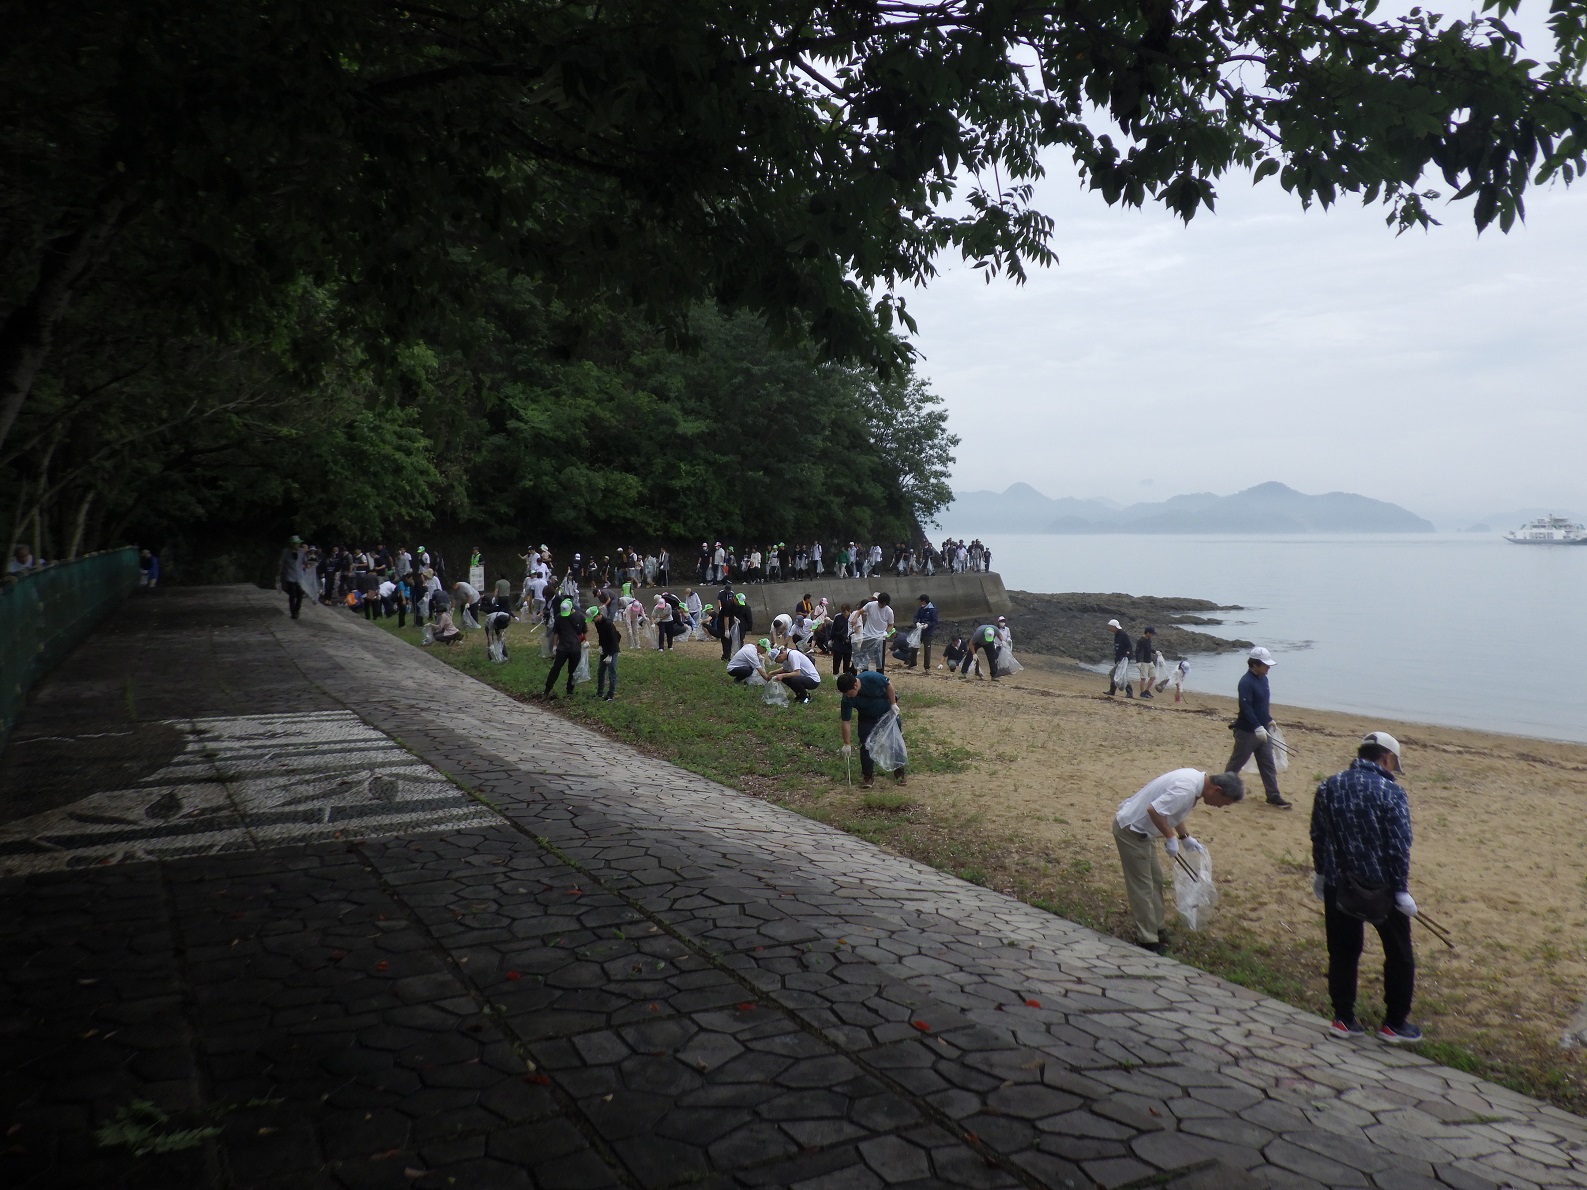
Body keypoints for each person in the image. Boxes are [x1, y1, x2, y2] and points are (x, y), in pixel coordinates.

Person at [1311, 731, 1421, 1043]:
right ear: (1387, 759)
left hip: (1338, 882)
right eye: (1392, 764)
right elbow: (1399, 846)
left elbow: (1318, 834)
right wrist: (1401, 890)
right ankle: (1394, 1023)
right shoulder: (1392, 793)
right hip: (1381, 888)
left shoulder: (1329, 785)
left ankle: (1343, 1018)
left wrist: (1321, 873)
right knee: (1399, 953)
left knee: (1343, 951)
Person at [1113, 769, 1245, 953]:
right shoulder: (1187, 789)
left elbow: (1172, 812)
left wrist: (1184, 837)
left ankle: (1158, 928)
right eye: (1223, 803)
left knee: (1156, 881)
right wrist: (1170, 836)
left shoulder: (1195, 782)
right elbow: (1154, 810)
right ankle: (1148, 939)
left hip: (1145, 833)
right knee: (1142, 887)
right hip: (1132, 830)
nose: (1220, 807)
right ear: (1216, 789)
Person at [1225, 646, 1292, 809]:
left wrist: (1269, 720)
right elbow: (1246, 707)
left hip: (1264, 731)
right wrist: (1256, 726)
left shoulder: (1264, 679)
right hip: (1247, 731)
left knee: (1268, 764)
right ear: (1254, 664)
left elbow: (1262, 705)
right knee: (1236, 763)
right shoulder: (1246, 682)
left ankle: (1273, 796)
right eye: (1265, 665)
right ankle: (1222, 789)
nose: (1268, 668)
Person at [836, 669, 905, 789]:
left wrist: (893, 704)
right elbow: (846, 721)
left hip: (887, 713)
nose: (847, 696)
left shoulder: (871, 677)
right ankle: (868, 776)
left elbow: (888, 685)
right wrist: (846, 743)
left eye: (849, 693)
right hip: (866, 717)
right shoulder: (847, 699)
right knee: (866, 744)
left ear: (855, 685)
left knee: (894, 740)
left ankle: (899, 770)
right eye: (845, 693)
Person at [543, 596, 587, 700]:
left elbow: (584, 631)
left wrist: (586, 641)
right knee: (555, 668)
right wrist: (554, 645)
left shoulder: (580, 616)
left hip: (575, 648)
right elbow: (556, 632)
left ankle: (570, 691)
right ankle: (547, 690)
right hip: (562, 648)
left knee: (572, 671)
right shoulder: (559, 617)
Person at [277, 534, 313, 620]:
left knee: (300, 595)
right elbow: (281, 563)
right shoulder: (285, 552)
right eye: (294, 544)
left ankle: (297, 610)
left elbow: (305, 562)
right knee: (292, 595)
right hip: (290, 576)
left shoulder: (301, 552)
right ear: (291, 544)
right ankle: (293, 612)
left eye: (297, 544)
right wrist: (279, 574)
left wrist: (309, 566)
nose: (296, 545)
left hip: (299, 577)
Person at [591, 603, 622, 701]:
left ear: (598, 615)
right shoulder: (597, 623)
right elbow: (601, 635)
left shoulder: (608, 624)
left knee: (611, 672)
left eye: (593, 619)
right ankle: (600, 692)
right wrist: (600, 645)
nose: (593, 621)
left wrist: (610, 655)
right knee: (600, 671)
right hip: (604, 649)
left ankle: (610, 695)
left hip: (612, 650)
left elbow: (614, 639)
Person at [857, 592, 894, 672]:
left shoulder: (889, 611)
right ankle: (864, 674)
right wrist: (854, 619)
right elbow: (860, 611)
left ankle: (879, 675)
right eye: (880, 604)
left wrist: (886, 632)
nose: (881, 606)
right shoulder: (871, 605)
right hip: (868, 635)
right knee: (865, 657)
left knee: (879, 660)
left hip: (880, 638)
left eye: (883, 604)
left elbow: (891, 625)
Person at [1106, 618, 1134, 697]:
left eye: (1110, 626)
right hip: (1119, 658)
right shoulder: (1117, 635)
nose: (1109, 628)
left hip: (1123, 658)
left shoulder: (1123, 635)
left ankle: (1116, 691)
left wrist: (1126, 656)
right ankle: (1117, 691)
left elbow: (1129, 646)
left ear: (1114, 627)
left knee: (1113, 673)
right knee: (1120, 674)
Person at [910, 594, 937, 670]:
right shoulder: (921, 609)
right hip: (919, 631)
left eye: (920, 601)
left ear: (924, 601)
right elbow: (916, 617)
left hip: (928, 632)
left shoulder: (933, 610)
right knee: (914, 646)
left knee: (927, 649)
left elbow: (935, 622)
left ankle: (926, 666)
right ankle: (913, 663)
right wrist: (917, 623)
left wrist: (927, 625)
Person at [1134, 626, 1158, 699]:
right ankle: (1142, 693)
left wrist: (1155, 651)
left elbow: (1149, 648)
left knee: (1153, 677)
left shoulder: (1149, 639)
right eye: (1151, 634)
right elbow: (1137, 651)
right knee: (1143, 678)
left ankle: (1147, 690)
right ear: (1147, 633)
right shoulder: (1141, 640)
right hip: (1143, 662)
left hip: (1149, 661)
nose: (1152, 635)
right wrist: (1138, 661)